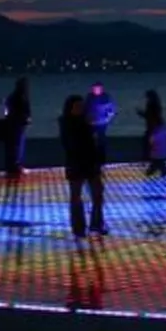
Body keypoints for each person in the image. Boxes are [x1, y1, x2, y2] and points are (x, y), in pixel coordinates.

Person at [59, 94, 107, 238]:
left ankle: (96, 224)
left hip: (90, 164)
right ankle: (79, 228)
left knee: (97, 195)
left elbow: (95, 144)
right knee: (77, 197)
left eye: (81, 106)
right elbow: (71, 145)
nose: (80, 109)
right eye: (77, 106)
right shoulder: (68, 124)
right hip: (77, 164)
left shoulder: (87, 123)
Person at [138, 89, 166, 178]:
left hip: (155, 129)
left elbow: (151, 116)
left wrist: (143, 114)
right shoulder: (154, 105)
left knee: (155, 148)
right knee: (156, 149)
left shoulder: (154, 106)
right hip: (155, 128)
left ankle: (156, 167)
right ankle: (156, 167)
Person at [2, 78, 30, 177]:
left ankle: (12, 167)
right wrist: (26, 118)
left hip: (14, 124)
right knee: (17, 146)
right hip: (17, 124)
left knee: (12, 147)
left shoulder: (12, 97)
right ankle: (16, 167)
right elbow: (25, 110)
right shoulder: (21, 97)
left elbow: (7, 110)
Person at [86, 82, 117, 165]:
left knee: (101, 140)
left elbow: (112, 110)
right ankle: (90, 157)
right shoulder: (89, 97)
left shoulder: (106, 97)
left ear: (101, 89)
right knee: (89, 140)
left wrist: (107, 118)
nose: (96, 90)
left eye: (97, 88)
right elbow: (85, 108)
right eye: (94, 88)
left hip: (102, 122)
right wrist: (87, 119)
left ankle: (101, 159)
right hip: (91, 122)